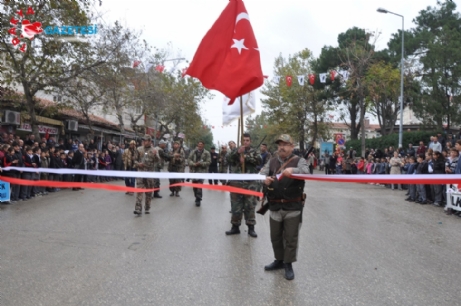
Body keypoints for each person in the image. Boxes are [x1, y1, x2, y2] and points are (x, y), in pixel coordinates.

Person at [259, 134, 309, 281]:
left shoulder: (300, 161)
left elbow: (306, 173)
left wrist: (294, 171)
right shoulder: (272, 161)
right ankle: (279, 260)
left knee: (291, 237)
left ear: (292, 146)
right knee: (275, 237)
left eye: (285, 144)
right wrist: (265, 180)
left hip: (292, 206)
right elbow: (261, 174)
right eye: (280, 144)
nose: (282, 147)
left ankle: (288, 263)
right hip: (275, 205)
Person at [225, 133, 262, 237]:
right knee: (236, 206)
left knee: (250, 205)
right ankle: (235, 227)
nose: (245, 142)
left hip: (250, 183)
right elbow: (228, 159)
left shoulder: (254, 151)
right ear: (241, 141)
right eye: (244, 140)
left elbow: (259, 160)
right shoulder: (235, 150)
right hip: (237, 182)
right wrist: (238, 153)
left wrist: (246, 157)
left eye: (247, 140)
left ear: (250, 141)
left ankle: (251, 227)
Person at [133, 135, 159, 215]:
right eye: (144, 140)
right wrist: (138, 164)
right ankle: (138, 209)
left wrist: (155, 155)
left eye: (146, 140)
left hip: (149, 174)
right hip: (140, 173)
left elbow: (158, 161)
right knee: (139, 191)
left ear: (150, 141)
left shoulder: (154, 150)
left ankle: (147, 207)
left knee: (148, 192)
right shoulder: (139, 149)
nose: (144, 142)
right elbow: (134, 160)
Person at [188, 140, 211, 207]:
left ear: (203, 145)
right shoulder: (193, 152)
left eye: (201, 144)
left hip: (202, 172)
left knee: (199, 186)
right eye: (199, 144)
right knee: (195, 186)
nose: (200, 145)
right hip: (194, 172)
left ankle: (198, 199)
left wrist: (201, 163)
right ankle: (196, 197)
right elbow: (189, 159)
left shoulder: (206, 153)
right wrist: (194, 164)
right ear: (197, 145)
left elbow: (208, 162)